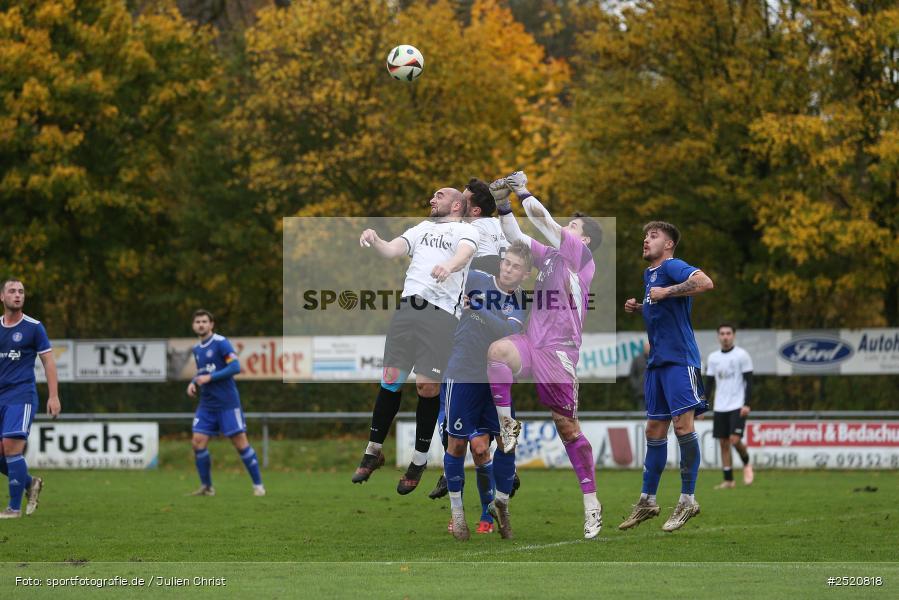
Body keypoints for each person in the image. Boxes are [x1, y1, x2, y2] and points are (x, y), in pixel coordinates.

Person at [486, 171, 605, 540]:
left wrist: (523, 191)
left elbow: (542, 220)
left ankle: (592, 504)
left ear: (584, 239)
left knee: (566, 427)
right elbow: (517, 237)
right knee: (497, 352)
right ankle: (507, 424)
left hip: (559, 351)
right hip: (531, 341)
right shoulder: (552, 257)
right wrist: (502, 203)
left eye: (574, 225)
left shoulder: (581, 257)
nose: (567, 227)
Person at [353, 187, 478, 494]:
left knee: (427, 388)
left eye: (439, 195)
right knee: (390, 380)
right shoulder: (422, 228)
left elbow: (464, 254)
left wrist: (449, 265)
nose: (432, 199)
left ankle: (419, 461)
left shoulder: (466, 231)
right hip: (408, 308)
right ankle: (373, 451)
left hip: (440, 315)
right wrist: (375, 238)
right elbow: (392, 250)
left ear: (457, 204)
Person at [619, 222, 714, 532]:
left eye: (654, 236)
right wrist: (641, 307)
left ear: (669, 244)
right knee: (654, 429)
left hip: (679, 360)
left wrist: (668, 291)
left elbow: (705, 283)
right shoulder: (649, 275)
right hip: (658, 363)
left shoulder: (672, 266)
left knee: (683, 426)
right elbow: (663, 307)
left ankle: (688, 499)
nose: (646, 240)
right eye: (645, 235)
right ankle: (647, 500)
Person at [443, 241, 531, 540]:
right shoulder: (476, 278)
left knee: (507, 441)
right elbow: (448, 277)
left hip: (496, 379)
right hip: (463, 372)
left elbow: (508, 331)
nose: (508, 269)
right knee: (457, 445)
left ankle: (501, 505)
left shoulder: (520, 300)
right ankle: (457, 513)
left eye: (516, 267)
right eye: (506, 263)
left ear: (525, 274)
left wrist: (479, 307)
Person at [430, 178, 510, 503]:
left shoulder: (471, 231)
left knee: (444, 383)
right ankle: (505, 462)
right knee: (493, 391)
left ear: (474, 210)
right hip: (498, 314)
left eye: (463, 201)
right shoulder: (500, 227)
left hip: (474, 316)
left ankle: (449, 464)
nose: (458, 206)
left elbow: (462, 264)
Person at [187, 309, 265, 497]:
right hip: (207, 405)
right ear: (193, 325)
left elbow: (235, 367)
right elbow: (203, 372)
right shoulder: (197, 349)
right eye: (198, 322)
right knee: (197, 442)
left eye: (204, 321)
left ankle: (258, 486)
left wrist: (210, 378)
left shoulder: (221, 343)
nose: (201, 325)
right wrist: (193, 382)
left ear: (211, 324)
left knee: (240, 443)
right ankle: (207, 487)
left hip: (227, 403)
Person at [0, 278, 61, 518]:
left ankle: (13, 508)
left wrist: (54, 396)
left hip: (21, 395)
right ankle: (30, 483)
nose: (18, 295)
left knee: (11, 448)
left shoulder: (34, 327)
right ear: (2, 297)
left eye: (21, 291)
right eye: (12, 291)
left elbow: (48, 361)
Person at [706, 323, 754, 488]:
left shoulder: (742, 355)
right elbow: (709, 384)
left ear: (733, 335)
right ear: (718, 336)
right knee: (723, 443)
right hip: (720, 406)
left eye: (728, 333)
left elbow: (749, 382)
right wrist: (703, 406)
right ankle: (728, 480)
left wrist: (747, 404)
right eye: (722, 334)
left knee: (735, 439)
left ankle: (746, 463)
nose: (725, 336)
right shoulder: (713, 358)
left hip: (738, 405)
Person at [628, 340, 650, 410]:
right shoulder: (637, 359)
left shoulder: (656, 359)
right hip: (641, 391)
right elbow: (632, 374)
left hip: (654, 391)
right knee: (642, 412)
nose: (648, 349)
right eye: (646, 347)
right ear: (644, 348)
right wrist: (636, 385)